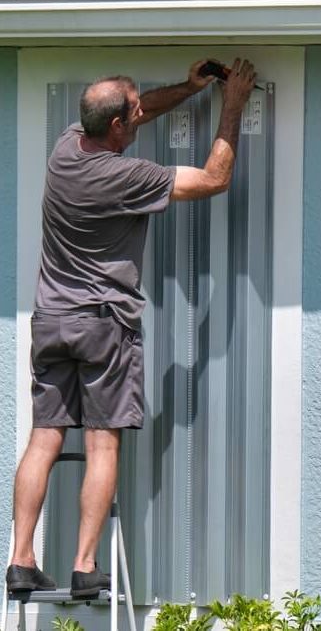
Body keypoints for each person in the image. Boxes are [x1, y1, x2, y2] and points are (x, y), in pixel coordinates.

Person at [5, 58, 256, 597]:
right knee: (102, 446)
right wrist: (232, 105)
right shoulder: (126, 177)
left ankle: (21, 559)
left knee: (44, 438)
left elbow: (132, 116)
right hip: (104, 326)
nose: (141, 112)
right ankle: (85, 565)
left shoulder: (67, 147)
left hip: (51, 321)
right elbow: (214, 177)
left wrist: (187, 90)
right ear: (118, 126)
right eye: (135, 109)